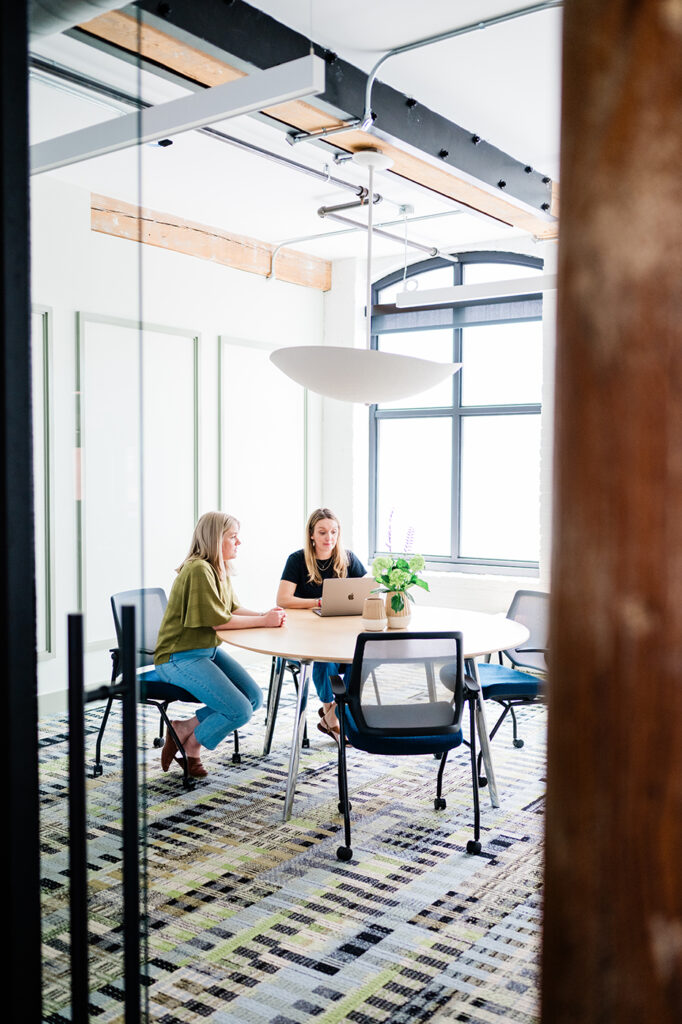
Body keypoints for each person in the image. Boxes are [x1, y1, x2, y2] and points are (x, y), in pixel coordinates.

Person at [155, 511, 286, 778]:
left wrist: (266, 614)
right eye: (233, 537)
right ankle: (192, 747)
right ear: (216, 539)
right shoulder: (199, 569)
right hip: (178, 657)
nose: (239, 543)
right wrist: (264, 620)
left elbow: (234, 608)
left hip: (207, 652)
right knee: (239, 711)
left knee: (253, 698)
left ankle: (182, 728)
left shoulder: (218, 568)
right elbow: (219, 622)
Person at [276, 507, 365, 741]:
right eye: (323, 532)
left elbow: (368, 591)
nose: (329, 538)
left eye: (334, 532)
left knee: (364, 656)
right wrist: (318, 601)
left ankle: (332, 716)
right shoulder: (297, 560)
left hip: (341, 636)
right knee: (325, 659)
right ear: (312, 535)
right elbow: (283, 600)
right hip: (303, 640)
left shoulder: (348, 559)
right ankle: (331, 714)